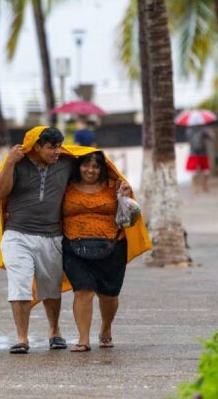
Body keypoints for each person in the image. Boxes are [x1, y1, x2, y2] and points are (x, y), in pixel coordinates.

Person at [0, 127, 73, 354]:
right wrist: (9, 162)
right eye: (51, 147)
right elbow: (0, 192)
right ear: (36, 147)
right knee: (19, 284)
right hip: (17, 235)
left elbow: (93, 168)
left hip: (52, 236)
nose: (56, 151)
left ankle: (54, 330)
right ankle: (22, 338)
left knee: (51, 287)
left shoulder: (67, 163)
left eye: (59, 146)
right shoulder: (16, 164)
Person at [61, 151, 133, 352]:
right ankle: (83, 340)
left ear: (102, 168)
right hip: (73, 245)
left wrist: (125, 198)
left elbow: (128, 217)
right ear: (78, 166)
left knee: (108, 295)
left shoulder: (115, 187)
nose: (90, 170)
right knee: (83, 290)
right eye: (86, 165)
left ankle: (106, 328)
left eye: (95, 166)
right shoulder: (65, 187)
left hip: (113, 246)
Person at [186, 127, 212, 193]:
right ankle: (204, 186)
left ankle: (195, 187)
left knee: (193, 171)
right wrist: (210, 132)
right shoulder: (204, 130)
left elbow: (188, 140)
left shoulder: (189, 130)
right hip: (203, 153)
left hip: (193, 153)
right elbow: (211, 138)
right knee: (206, 170)